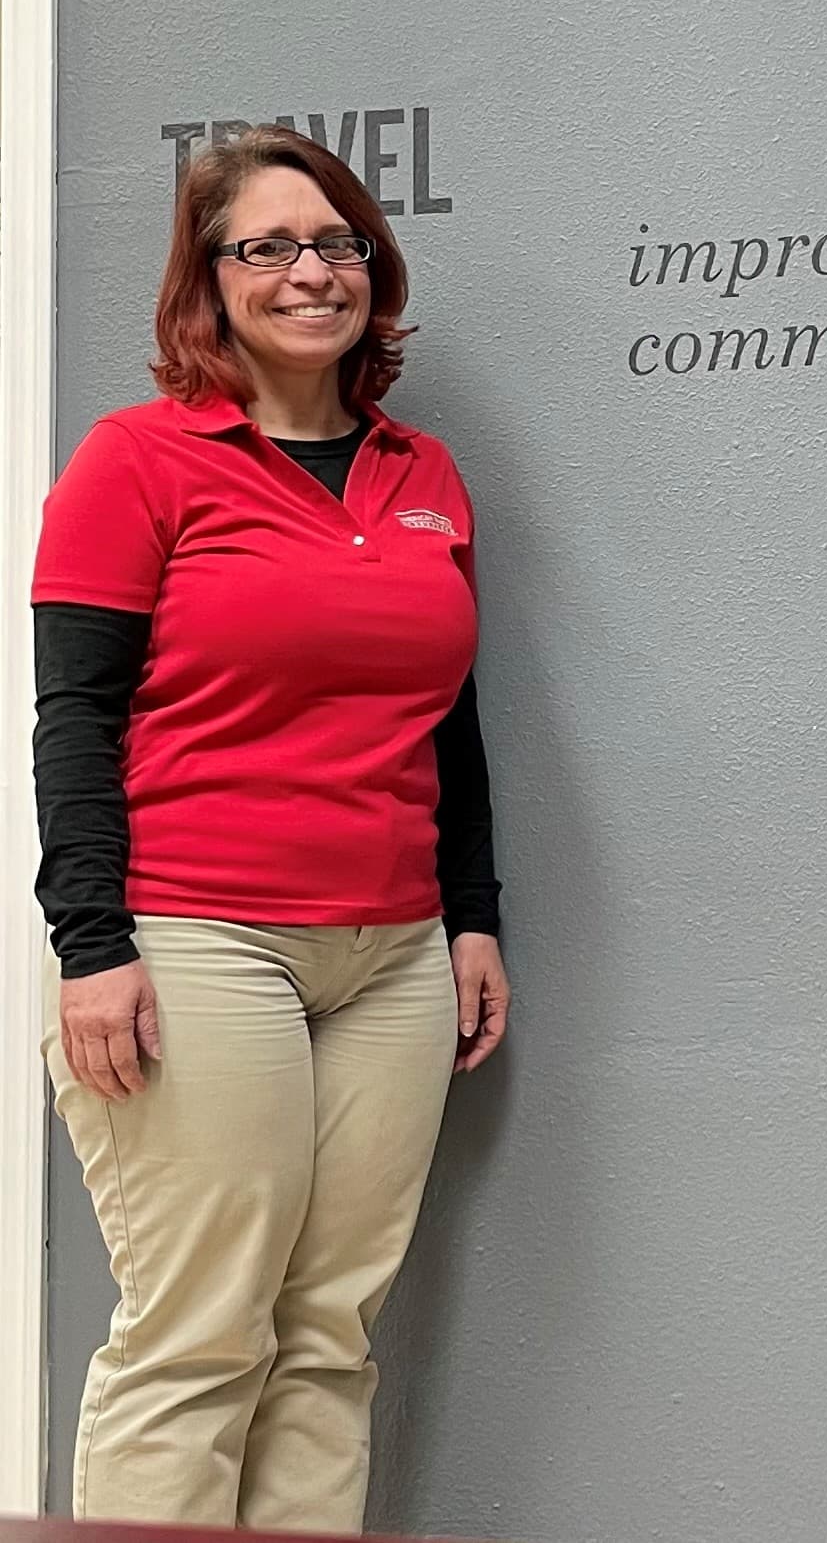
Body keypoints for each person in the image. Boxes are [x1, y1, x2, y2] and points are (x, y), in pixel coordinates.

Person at [31, 126, 507, 1532]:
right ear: (209, 279)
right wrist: (90, 943)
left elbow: (450, 721)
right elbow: (75, 721)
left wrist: (471, 916)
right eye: (270, 247)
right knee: (199, 1334)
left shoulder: (424, 472)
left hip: (394, 957)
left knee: (327, 1339)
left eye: (338, 243)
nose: (312, 272)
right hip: (196, 938)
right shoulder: (138, 460)